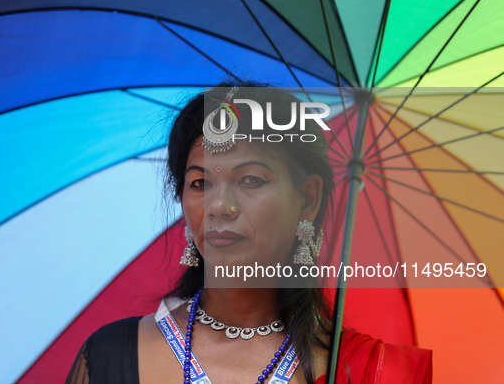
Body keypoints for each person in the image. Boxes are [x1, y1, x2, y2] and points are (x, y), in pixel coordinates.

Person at [66, 83, 432, 384]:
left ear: (308, 198)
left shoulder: (372, 371)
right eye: (200, 182)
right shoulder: (108, 359)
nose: (219, 206)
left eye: (251, 179)